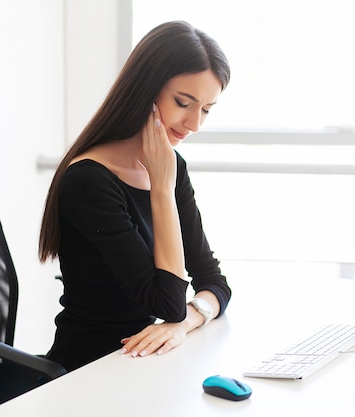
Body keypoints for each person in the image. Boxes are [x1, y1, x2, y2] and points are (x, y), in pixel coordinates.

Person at [38, 20, 232, 372]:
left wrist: (185, 324)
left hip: (148, 363)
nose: (194, 124)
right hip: (91, 369)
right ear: (147, 88)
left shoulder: (173, 168)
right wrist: (161, 187)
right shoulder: (89, 181)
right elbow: (168, 303)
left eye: (205, 109)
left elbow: (214, 283)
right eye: (183, 103)